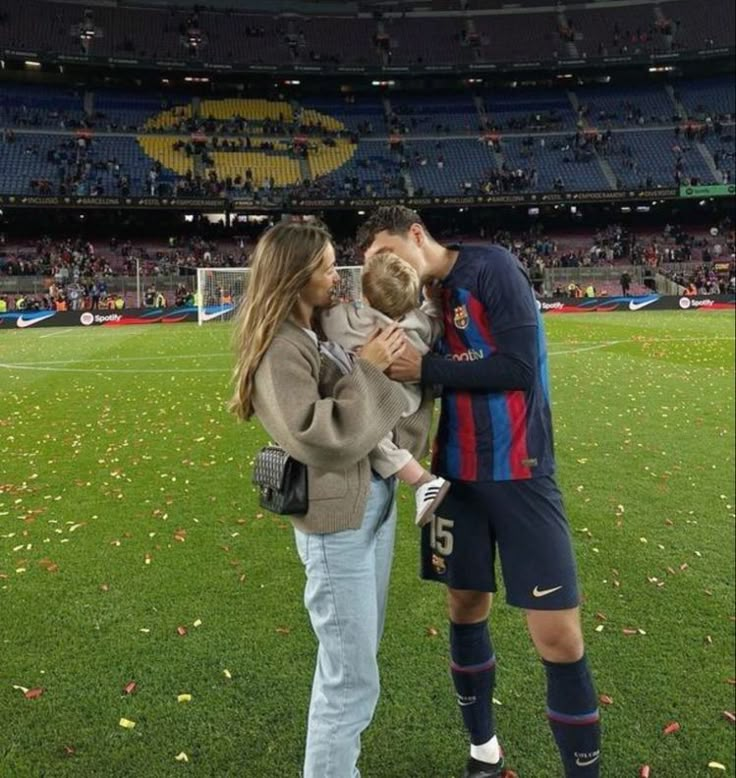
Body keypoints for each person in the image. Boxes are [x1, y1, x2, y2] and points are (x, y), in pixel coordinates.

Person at [358, 206, 601, 778]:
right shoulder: (423, 297)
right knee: (464, 607)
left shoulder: (494, 270)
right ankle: (483, 752)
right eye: (373, 261)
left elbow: (518, 368)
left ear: (416, 234)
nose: (385, 265)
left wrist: (427, 367)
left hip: (521, 472)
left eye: (388, 252)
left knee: (559, 637)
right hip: (453, 478)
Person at [229, 221, 428, 778]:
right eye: (323, 267)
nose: (333, 277)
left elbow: (376, 417)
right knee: (351, 678)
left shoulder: (315, 330)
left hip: (372, 508)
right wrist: (368, 367)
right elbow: (315, 433)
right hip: (336, 524)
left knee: (352, 666)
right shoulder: (279, 348)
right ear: (294, 276)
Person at [320, 249, 448, 526]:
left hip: (380, 407)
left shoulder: (348, 320)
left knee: (364, 429)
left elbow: (321, 319)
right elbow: (437, 324)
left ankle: (421, 480)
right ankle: (420, 480)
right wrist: (432, 301)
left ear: (365, 297)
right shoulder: (420, 323)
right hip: (411, 409)